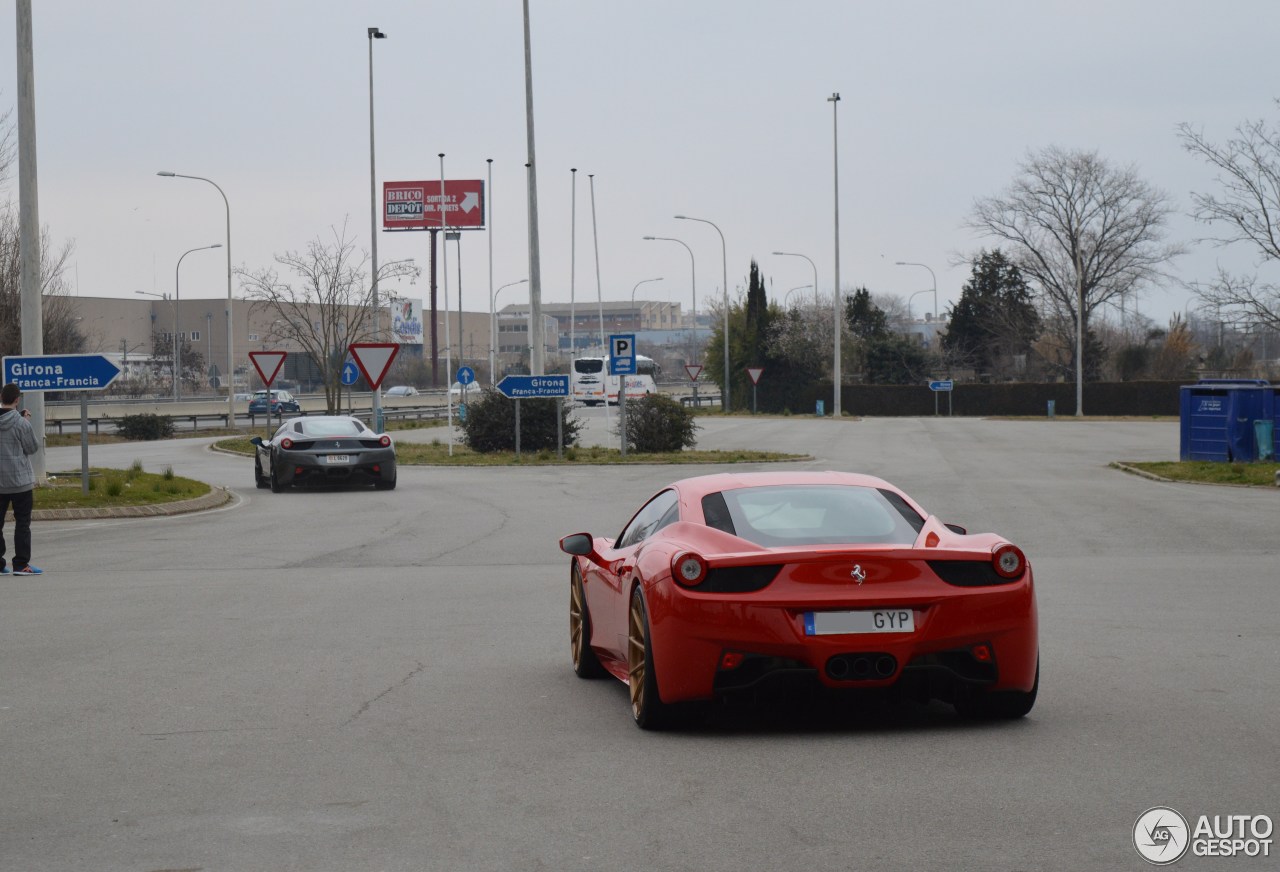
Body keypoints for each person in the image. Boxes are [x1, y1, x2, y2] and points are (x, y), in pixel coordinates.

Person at [0, 382, 41, 575]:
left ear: (1, 398)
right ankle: (21, 564)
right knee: (22, 523)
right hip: (20, 482)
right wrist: (26, 421)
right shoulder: (21, 423)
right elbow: (32, 448)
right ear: (17, 400)